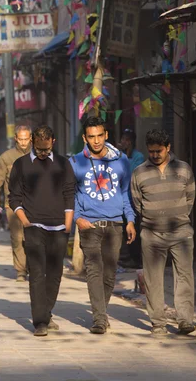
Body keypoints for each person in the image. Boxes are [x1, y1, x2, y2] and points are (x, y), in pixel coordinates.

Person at [70, 116, 136, 335]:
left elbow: (125, 192)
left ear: (106, 135)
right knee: (94, 270)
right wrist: (77, 218)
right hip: (89, 224)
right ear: (85, 138)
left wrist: (130, 220)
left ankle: (101, 312)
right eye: (91, 136)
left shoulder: (122, 161)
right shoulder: (77, 162)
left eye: (100, 135)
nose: (96, 141)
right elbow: (69, 194)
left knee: (109, 273)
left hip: (116, 224)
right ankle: (99, 319)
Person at [9, 125, 75, 337]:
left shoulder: (64, 164)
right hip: (34, 227)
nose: (43, 153)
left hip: (59, 228)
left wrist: (68, 224)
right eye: (39, 149)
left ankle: (46, 312)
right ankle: (40, 322)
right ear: (32, 144)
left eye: (46, 149)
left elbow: (69, 194)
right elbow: (14, 198)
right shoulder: (21, 165)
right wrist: (26, 222)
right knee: (37, 274)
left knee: (55, 275)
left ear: (53, 142)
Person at [131, 129, 196, 336]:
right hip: (151, 234)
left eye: (159, 151)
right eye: (151, 151)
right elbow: (137, 203)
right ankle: (158, 322)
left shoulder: (183, 169)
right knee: (153, 279)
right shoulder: (139, 172)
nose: (155, 155)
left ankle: (185, 320)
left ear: (168, 148)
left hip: (181, 232)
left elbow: (190, 199)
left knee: (184, 277)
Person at [0, 125, 32, 281]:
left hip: (35, 205)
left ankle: (33, 267)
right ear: (16, 138)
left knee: (33, 238)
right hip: (12, 205)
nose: (23, 142)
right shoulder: (6, 157)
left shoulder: (38, 155)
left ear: (31, 138)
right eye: (20, 139)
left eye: (26, 139)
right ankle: (21, 270)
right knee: (17, 238)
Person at [118, 128, 145, 268]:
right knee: (124, 229)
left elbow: (130, 174)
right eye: (123, 139)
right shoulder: (119, 156)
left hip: (133, 199)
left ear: (132, 142)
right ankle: (128, 257)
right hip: (121, 200)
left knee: (135, 228)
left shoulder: (138, 157)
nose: (124, 142)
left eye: (127, 140)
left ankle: (137, 259)